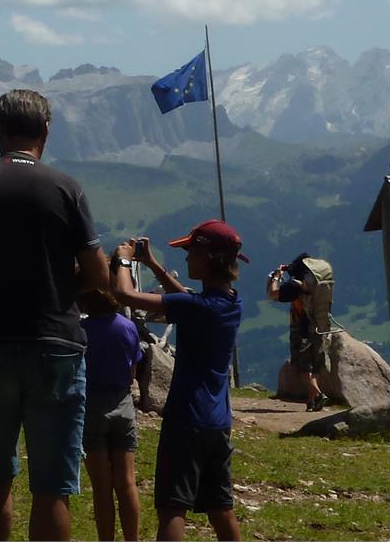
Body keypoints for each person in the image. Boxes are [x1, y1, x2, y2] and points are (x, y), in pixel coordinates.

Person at [0, 89, 109, 542]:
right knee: (52, 489)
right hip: (56, 345)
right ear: (46, 131)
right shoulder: (67, 188)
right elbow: (99, 274)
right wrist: (59, 286)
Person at [111, 221, 245, 542]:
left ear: (209, 257)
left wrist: (123, 259)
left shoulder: (194, 307)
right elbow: (186, 297)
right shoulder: (231, 302)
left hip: (186, 420)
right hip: (217, 423)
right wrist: (154, 265)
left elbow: (123, 293)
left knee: (173, 508)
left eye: (191, 252)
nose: (186, 260)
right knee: (220, 508)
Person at [79, 287, 142, 541]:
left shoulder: (82, 330)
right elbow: (133, 370)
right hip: (123, 403)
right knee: (126, 483)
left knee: (102, 487)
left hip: (92, 405)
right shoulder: (127, 327)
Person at [269, 255, 325, 411]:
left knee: (302, 366)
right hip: (319, 326)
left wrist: (276, 277)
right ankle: (312, 401)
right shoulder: (317, 282)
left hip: (301, 328)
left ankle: (319, 395)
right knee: (316, 366)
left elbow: (273, 294)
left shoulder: (296, 285)